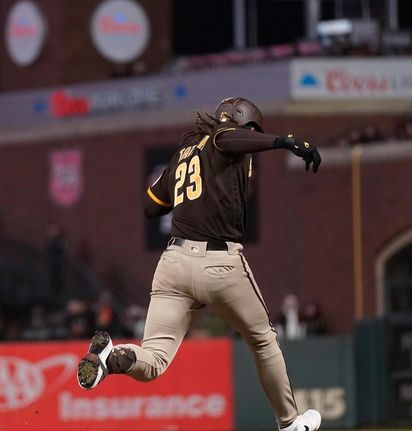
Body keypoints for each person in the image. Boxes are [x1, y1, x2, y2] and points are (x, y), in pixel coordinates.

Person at [76, 97, 323, 431]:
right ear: (244, 123)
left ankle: (114, 358)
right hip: (219, 263)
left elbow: (151, 206)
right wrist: (285, 142)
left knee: (154, 362)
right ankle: (290, 423)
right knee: (263, 340)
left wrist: (190, 193)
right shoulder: (227, 138)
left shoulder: (185, 152)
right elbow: (228, 138)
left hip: (173, 265)